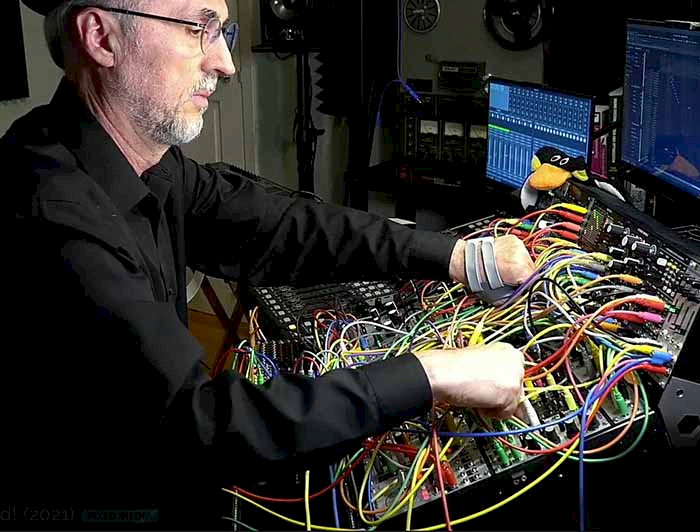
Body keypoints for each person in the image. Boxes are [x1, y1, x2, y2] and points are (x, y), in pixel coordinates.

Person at [4, 1, 536, 529]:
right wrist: (434, 374)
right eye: (198, 28)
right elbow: (196, 428)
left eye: (223, 32)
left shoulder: (147, 163)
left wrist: (456, 255)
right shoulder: (49, 215)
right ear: (101, 38)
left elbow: (279, 225)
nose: (225, 63)